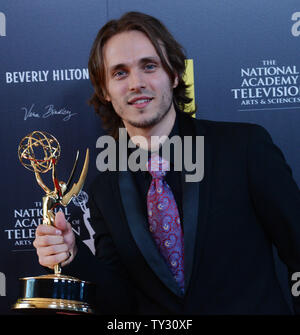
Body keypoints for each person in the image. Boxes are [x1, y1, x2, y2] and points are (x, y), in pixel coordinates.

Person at [33, 11, 300, 314]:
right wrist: (72, 256)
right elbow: (121, 299)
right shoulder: (104, 189)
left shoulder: (244, 147)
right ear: (105, 91)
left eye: (149, 66)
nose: (136, 83)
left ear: (174, 74)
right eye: (120, 73)